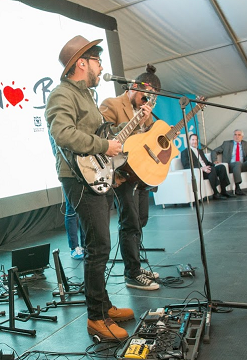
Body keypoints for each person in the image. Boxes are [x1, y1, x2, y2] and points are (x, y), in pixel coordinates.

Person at [46, 35, 135, 341]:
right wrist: (104, 144)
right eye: (97, 60)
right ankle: (96, 319)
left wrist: (114, 148)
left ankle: (104, 305)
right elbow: (62, 133)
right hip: (77, 178)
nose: (101, 67)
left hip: (95, 175)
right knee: (98, 248)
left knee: (100, 245)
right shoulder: (62, 94)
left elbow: (96, 136)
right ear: (82, 63)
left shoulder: (87, 96)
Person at [99, 64, 161, 291]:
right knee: (129, 222)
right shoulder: (111, 104)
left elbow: (150, 138)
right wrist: (136, 121)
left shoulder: (146, 109)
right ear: (134, 87)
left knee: (141, 220)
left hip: (140, 173)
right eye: (146, 97)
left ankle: (135, 264)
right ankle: (131, 273)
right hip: (121, 174)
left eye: (152, 100)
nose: (147, 102)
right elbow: (105, 136)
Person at [48, 135, 85, 259]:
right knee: (71, 209)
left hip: (84, 168)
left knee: (85, 209)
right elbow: (56, 150)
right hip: (68, 171)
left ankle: (86, 245)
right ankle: (74, 247)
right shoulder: (56, 121)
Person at [211, 129, 247, 195]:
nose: (237, 136)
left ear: (242, 137)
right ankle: (237, 188)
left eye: (239, 135)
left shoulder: (246, 144)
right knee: (237, 163)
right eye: (235, 135)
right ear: (233, 136)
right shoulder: (226, 143)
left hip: (242, 165)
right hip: (231, 165)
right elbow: (214, 151)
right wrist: (215, 160)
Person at [181, 134, 232, 199]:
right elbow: (186, 165)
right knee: (212, 170)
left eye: (196, 140)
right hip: (199, 172)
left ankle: (223, 191)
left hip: (208, 169)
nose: (194, 141)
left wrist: (215, 164)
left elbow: (206, 162)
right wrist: (201, 168)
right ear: (189, 141)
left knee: (221, 167)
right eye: (193, 140)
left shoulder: (200, 151)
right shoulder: (185, 152)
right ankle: (216, 193)